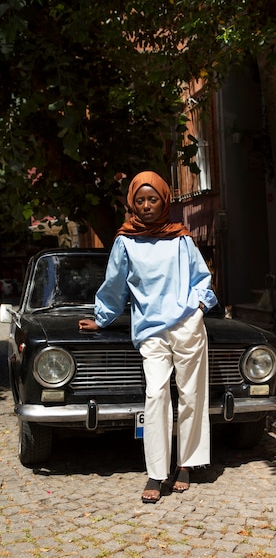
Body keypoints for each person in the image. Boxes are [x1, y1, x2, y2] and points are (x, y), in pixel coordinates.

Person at [79, 171, 218, 504]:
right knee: (156, 395)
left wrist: (199, 307)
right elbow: (114, 286)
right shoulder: (125, 241)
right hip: (150, 332)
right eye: (139, 200)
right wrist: (102, 319)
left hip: (187, 326)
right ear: (132, 203)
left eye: (152, 199)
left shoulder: (181, 238)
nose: (146, 206)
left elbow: (202, 278)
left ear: (164, 201)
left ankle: (185, 464)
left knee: (191, 395)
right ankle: (157, 473)